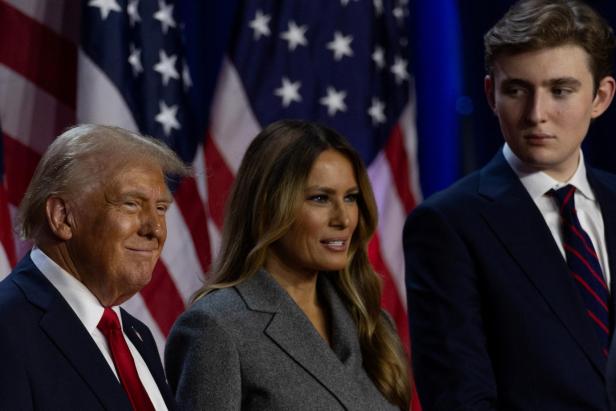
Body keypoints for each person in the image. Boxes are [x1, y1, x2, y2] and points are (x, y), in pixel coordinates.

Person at [404, 0, 616, 409]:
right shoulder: (447, 224)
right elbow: (460, 397)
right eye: (517, 89)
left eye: (560, 90)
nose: (537, 114)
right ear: (490, 93)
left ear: (600, 97)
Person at [165, 119, 410, 410]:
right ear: (269, 206)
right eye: (320, 198)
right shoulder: (216, 327)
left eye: (350, 198)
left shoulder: (371, 323)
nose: (344, 219)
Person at [0, 124, 188, 410]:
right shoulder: (8, 327)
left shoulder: (135, 335)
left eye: (161, 208)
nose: (155, 228)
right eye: (131, 204)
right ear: (62, 216)